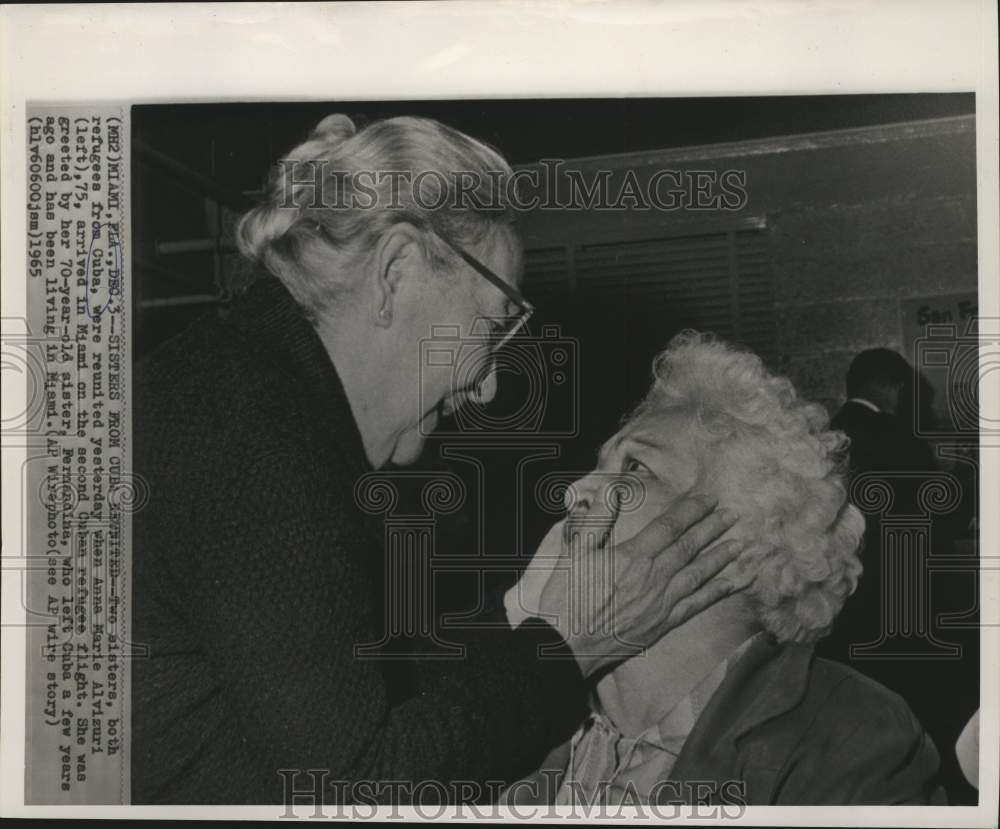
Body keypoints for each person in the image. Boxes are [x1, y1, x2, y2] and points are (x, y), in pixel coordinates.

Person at [131, 114, 744, 804]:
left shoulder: (234, 387)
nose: (487, 385)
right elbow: (357, 787)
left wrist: (525, 619)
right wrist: (570, 646)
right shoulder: (257, 437)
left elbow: (341, 698)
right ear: (396, 272)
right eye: (493, 326)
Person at [505, 332, 944, 806]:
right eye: (599, 466)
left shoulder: (852, 740)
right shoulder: (520, 717)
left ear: (746, 540)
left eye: (636, 468)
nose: (574, 491)